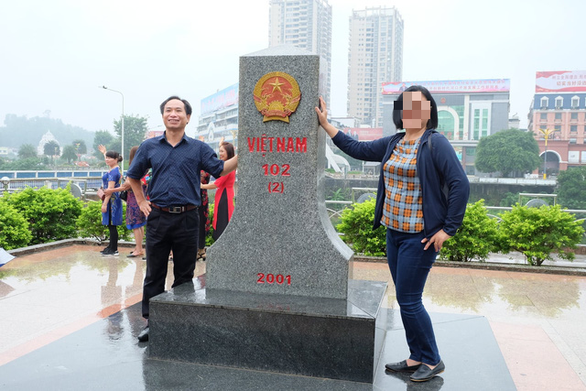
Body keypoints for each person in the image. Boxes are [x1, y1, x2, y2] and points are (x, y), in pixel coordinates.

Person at [315, 86, 469, 382]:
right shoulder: (394, 142)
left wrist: (448, 229)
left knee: (411, 300)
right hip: (394, 233)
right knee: (405, 299)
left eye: (418, 105)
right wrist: (326, 124)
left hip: (419, 237)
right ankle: (416, 356)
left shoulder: (435, 143)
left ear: (428, 111)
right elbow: (357, 149)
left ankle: (433, 359)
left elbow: (460, 184)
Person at [126, 96, 238, 342]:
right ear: (163, 116)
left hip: (188, 217)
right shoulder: (149, 147)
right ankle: (152, 322)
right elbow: (133, 176)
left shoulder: (198, 148)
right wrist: (142, 201)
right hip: (158, 218)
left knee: (184, 274)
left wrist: (244, 155)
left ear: (187, 117)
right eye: (168, 110)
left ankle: (180, 321)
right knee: (154, 273)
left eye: (178, 110)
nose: (173, 114)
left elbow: (219, 170)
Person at [104, 146, 147, 258]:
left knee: (136, 224)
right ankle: (139, 248)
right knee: (140, 224)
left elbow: (126, 186)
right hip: (144, 198)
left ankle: (138, 249)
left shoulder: (135, 168)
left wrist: (111, 190)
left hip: (134, 199)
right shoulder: (147, 168)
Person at [201, 142, 236, 241]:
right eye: (219, 151)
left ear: (228, 152)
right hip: (223, 195)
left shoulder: (228, 167)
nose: (220, 153)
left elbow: (216, 184)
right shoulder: (227, 165)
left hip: (224, 197)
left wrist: (202, 186)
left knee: (222, 220)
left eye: (222, 151)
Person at [99, 148, 124, 256]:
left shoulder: (114, 172)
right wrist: (104, 153)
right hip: (112, 200)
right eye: (106, 158)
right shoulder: (114, 169)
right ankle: (111, 246)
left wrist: (104, 204)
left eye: (109, 158)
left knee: (112, 225)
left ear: (116, 159)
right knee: (110, 224)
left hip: (112, 201)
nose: (107, 160)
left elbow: (109, 190)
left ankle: (114, 249)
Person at [197, 170, 211, 261]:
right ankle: (197, 250)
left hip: (202, 198)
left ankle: (201, 249)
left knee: (201, 223)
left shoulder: (205, 170)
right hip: (192, 197)